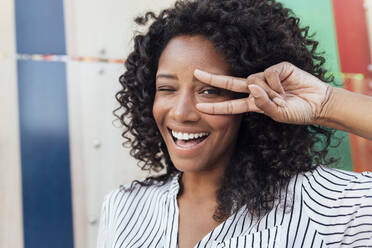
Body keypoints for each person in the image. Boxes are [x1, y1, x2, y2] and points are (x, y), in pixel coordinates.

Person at [97, 0, 372, 247]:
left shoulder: (320, 206)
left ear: (250, 99)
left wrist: (326, 104)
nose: (181, 113)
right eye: (167, 89)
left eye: (209, 90)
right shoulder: (124, 207)